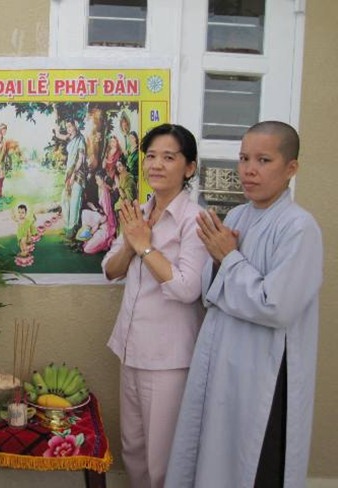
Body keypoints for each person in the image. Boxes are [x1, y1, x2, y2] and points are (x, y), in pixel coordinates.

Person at [165, 121, 323, 488]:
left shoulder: (299, 228)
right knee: (215, 452)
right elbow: (211, 293)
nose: (249, 170)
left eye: (263, 160)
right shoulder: (237, 216)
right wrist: (217, 261)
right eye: (243, 158)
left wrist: (229, 259)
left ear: (291, 168)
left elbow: (276, 306)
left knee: (255, 460)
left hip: (264, 373)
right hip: (225, 363)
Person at [102, 123, 208, 488]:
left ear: (189, 167)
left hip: (168, 359)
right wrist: (132, 243)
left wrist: (145, 247)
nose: (156, 165)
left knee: (161, 458)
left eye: (169, 157)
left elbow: (187, 287)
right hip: (131, 349)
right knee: (132, 449)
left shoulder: (195, 220)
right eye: (150, 156)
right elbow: (110, 270)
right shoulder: (139, 212)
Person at [55, 119, 87, 241]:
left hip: (78, 173)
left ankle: (72, 228)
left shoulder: (80, 139)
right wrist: (57, 126)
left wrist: (74, 174)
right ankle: (67, 225)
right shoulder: (70, 138)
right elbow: (58, 135)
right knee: (65, 199)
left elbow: (80, 159)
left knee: (74, 201)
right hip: (69, 173)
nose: (68, 128)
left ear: (75, 126)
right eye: (67, 126)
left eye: (70, 126)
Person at [78, 169, 116, 254]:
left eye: (97, 180)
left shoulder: (105, 192)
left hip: (107, 224)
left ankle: (107, 241)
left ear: (103, 179)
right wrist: (95, 209)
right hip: (102, 217)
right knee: (85, 213)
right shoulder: (102, 189)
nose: (96, 182)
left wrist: (96, 225)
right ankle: (86, 235)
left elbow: (106, 215)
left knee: (87, 249)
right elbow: (102, 209)